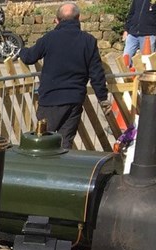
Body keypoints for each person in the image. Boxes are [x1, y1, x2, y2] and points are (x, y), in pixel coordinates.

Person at [18, 2, 110, 149]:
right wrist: (103, 98)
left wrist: (21, 50)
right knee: (65, 141)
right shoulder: (88, 41)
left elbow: (29, 57)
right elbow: (96, 73)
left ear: (57, 20)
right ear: (78, 18)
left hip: (51, 98)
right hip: (74, 99)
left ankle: (43, 169)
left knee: (43, 141)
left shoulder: (50, 38)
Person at [123, 0, 156, 68]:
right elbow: (131, 14)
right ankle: (127, 77)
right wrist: (126, 30)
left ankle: (147, 78)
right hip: (132, 33)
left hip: (148, 35)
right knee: (126, 59)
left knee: (147, 62)